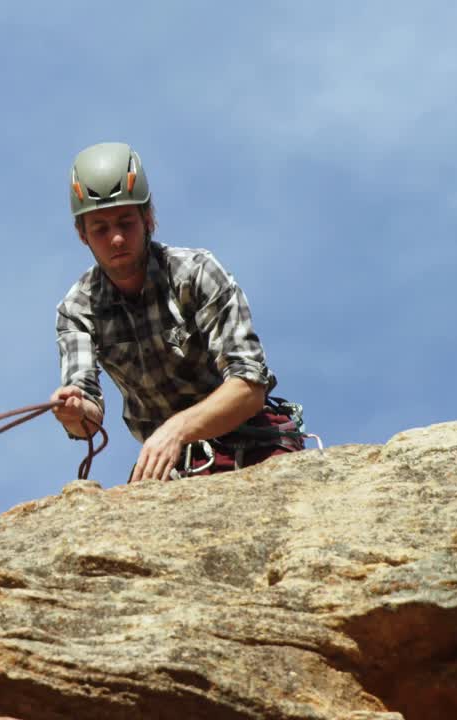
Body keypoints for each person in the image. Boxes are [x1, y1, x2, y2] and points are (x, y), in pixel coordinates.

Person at [51, 142, 304, 483]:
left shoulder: (196, 273)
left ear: (148, 218)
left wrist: (176, 430)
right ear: (82, 235)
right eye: (100, 228)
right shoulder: (78, 310)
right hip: (171, 465)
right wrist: (74, 411)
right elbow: (88, 422)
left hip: (250, 441)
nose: (116, 239)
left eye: (126, 222)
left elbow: (249, 385)